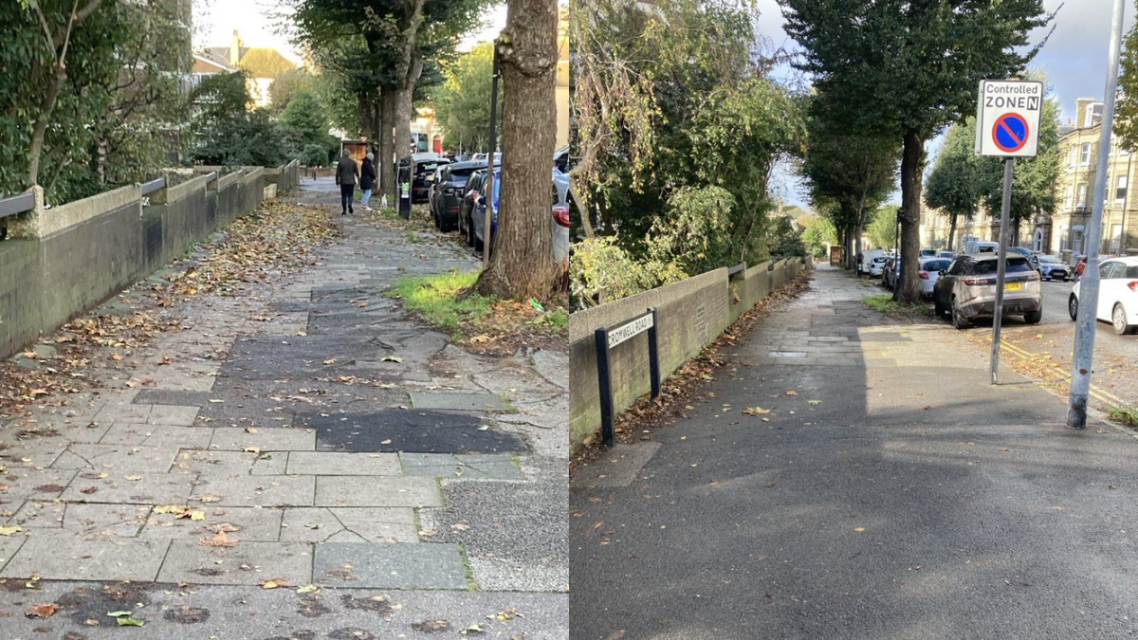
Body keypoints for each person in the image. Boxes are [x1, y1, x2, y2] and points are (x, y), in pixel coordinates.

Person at [335, 149, 360, 215]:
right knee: (350, 195)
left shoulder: (340, 162)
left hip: (343, 181)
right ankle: (349, 204)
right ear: (349, 154)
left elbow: (338, 173)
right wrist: (358, 179)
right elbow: (356, 172)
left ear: (343, 154)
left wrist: (337, 180)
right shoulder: (353, 162)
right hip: (351, 181)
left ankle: (344, 210)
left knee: (343, 196)